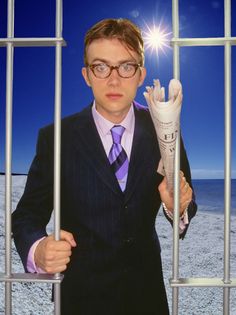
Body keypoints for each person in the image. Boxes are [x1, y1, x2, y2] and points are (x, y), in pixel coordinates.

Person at [12, 18, 197, 315]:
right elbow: (26, 215)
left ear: (141, 75)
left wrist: (177, 207)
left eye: (126, 66)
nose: (113, 80)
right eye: (101, 67)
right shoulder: (55, 138)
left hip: (146, 296)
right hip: (79, 299)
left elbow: (187, 205)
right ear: (86, 75)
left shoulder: (165, 128)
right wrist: (38, 249)